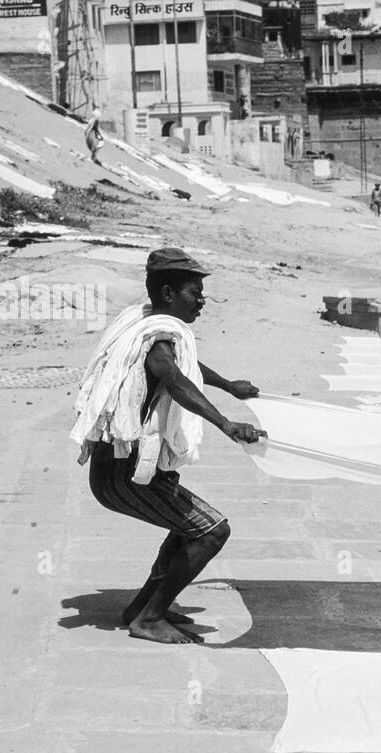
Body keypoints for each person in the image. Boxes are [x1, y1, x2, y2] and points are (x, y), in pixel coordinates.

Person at [70, 248, 266, 644]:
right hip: (124, 476)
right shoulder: (157, 341)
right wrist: (227, 424)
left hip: (117, 472)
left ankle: (141, 607)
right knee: (212, 531)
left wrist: (229, 385)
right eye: (195, 292)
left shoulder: (147, 325)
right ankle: (149, 618)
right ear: (167, 293)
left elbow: (184, 367)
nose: (202, 301)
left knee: (188, 528)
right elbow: (175, 381)